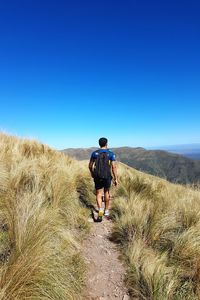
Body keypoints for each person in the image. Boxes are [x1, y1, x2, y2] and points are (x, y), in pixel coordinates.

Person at [88, 137, 118, 220]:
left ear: (99, 144)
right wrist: (116, 178)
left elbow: (90, 166)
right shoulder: (111, 154)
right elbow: (113, 167)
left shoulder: (94, 153)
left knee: (98, 193)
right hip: (107, 176)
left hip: (97, 176)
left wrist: (92, 173)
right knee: (106, 192)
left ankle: (100, 210)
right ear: (106, 144)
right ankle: (107, 210)